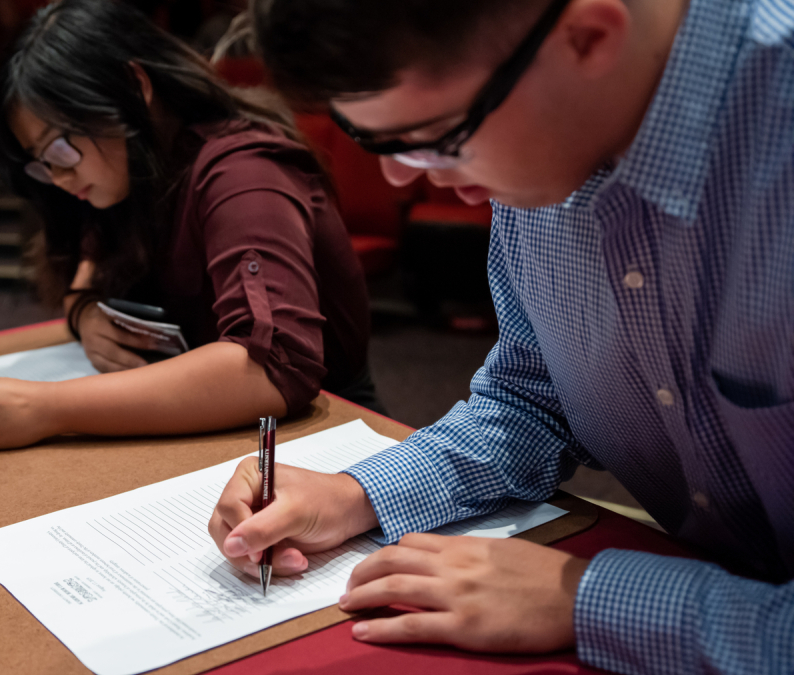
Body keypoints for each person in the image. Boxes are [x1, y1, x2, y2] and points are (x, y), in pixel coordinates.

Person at [209, 0, 794, 672]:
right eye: (374, 141)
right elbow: (534, 397)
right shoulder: (537, 128)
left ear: (589, 37)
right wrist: (359, 494)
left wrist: (590, 599)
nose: (403, 177)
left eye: (435, 137)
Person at [0, 0, 377, 450]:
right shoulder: (127, 175)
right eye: (41, 164)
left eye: (59, 150)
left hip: (321, 433)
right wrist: (86, 312)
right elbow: (84, 278)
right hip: (210, 429)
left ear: (134, 86)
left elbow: (273, 364)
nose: (56, 177)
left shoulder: (244, 172)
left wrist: (47, 407)